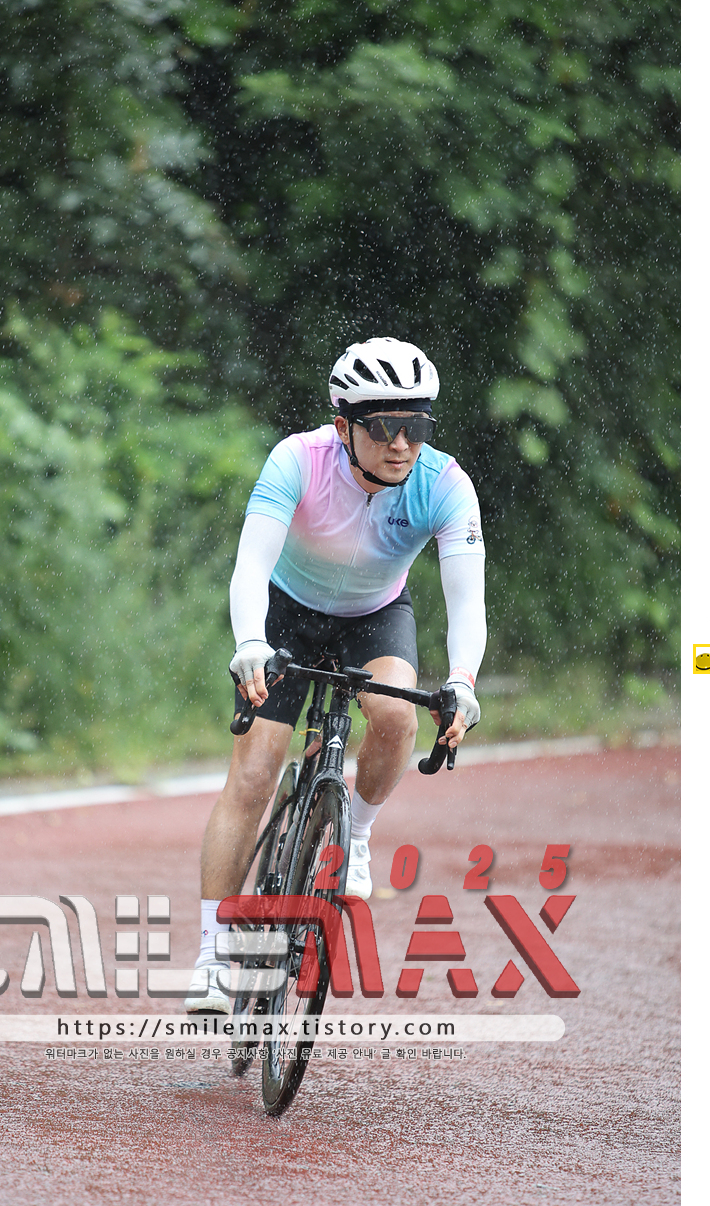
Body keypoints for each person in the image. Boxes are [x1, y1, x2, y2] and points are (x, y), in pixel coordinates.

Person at [185, 337, 488, 1014]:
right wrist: (249, 642)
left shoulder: (445, 484)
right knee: (254, 775)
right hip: (287, 615)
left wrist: (462, 681)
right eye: (384, 427)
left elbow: (468, 601)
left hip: (375, 617)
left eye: (415, 426)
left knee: (397, 717)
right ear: (344, 426)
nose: (402, 444)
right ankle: (211, 956)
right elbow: (251, 565)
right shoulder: (298, 459)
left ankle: (356, 834)